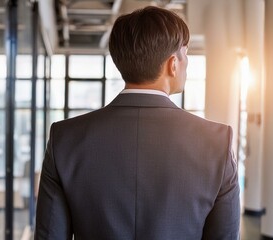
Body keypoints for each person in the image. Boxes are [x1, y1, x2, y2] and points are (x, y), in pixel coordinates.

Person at [35, 6, 240, 240]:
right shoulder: (217, 142)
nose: (187, 63)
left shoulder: (65, 137)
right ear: (172, 64)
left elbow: (49, 236)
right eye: (186, 53)